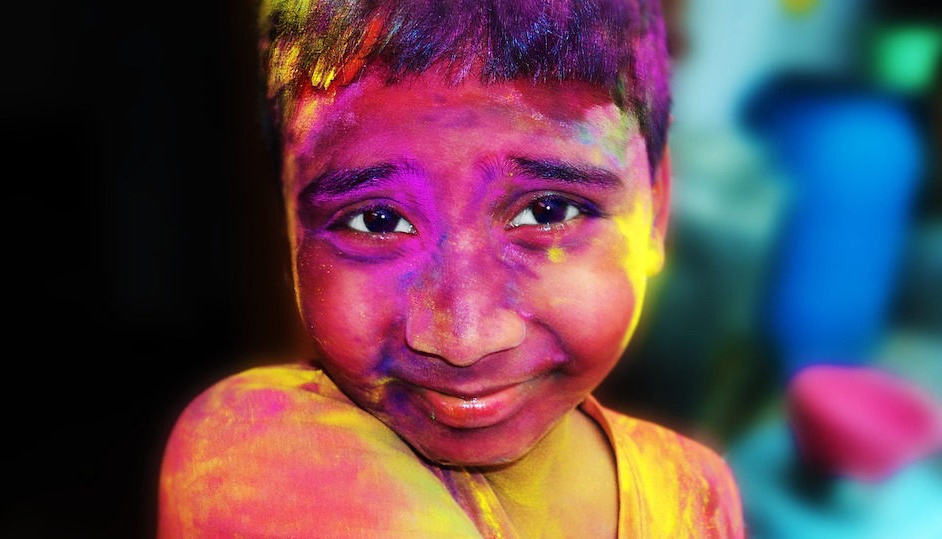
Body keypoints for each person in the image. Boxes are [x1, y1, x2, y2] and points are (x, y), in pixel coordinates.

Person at [157, 0, 745, 536]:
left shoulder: (700, 493)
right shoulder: (256, 455)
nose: (464, 338)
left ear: (656, 208)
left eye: (548, 210)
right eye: (377, 222)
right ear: (286, 226)